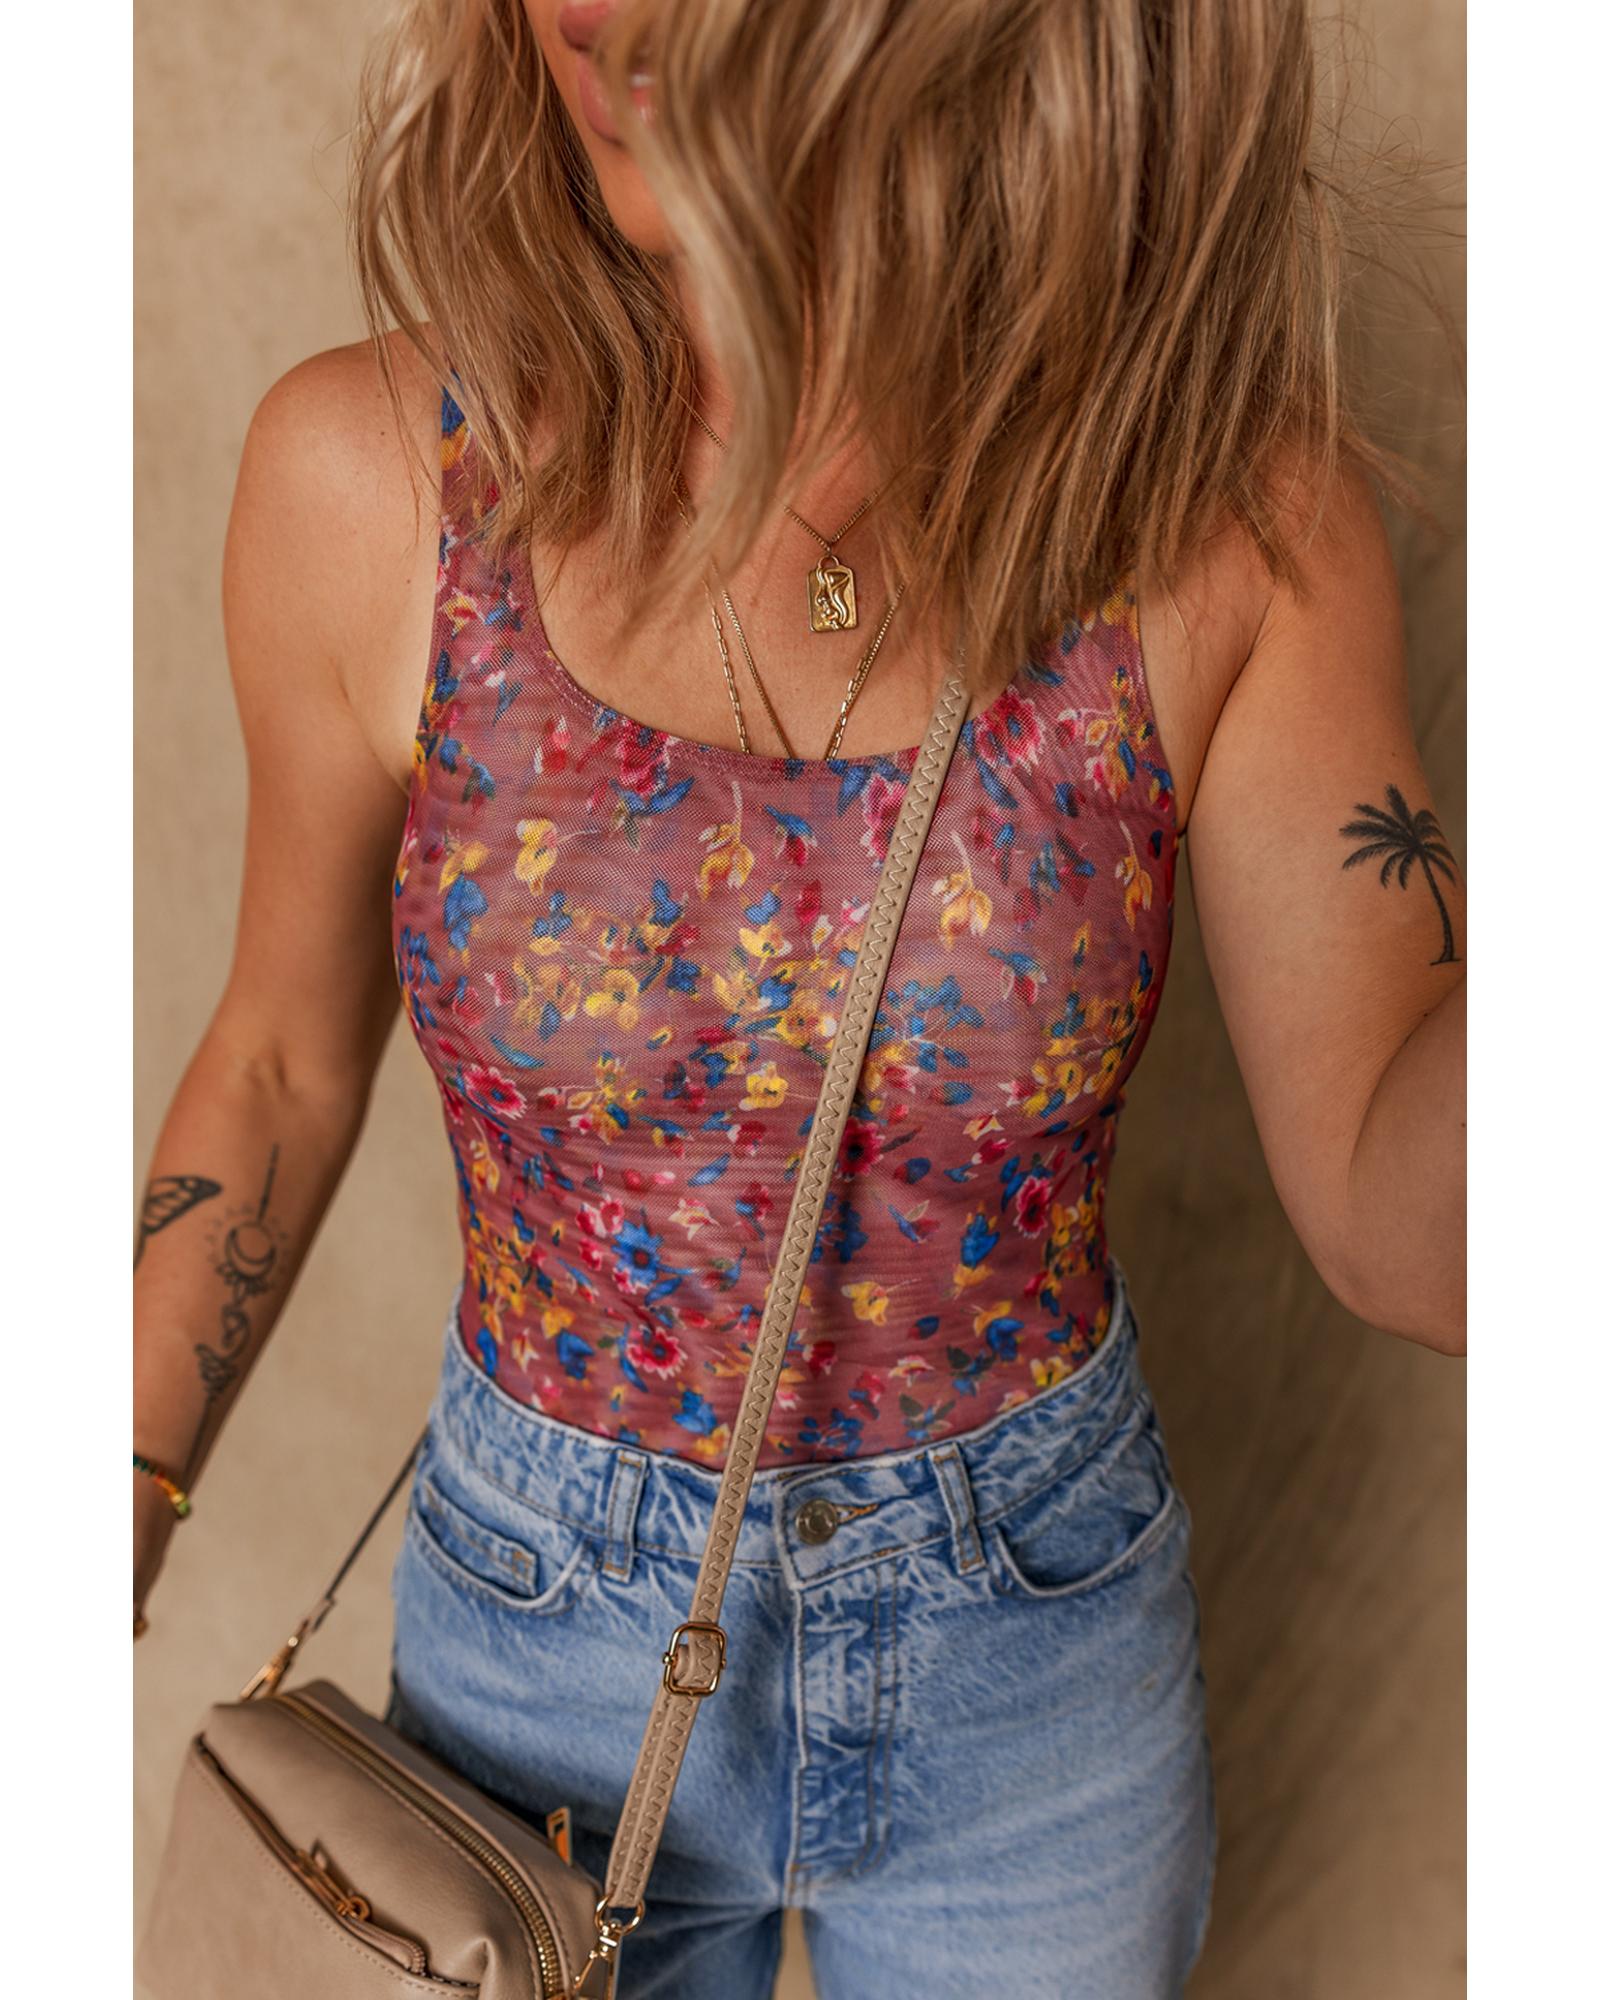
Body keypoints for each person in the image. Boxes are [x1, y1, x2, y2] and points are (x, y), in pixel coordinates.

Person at [133, 1, 1466, 1992]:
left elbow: (1413, 1236)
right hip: (533, 1638)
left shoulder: (1219, 527)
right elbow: (277, 1058)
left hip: (1031, 1641)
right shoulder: (378, 481)